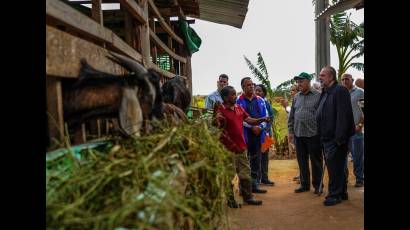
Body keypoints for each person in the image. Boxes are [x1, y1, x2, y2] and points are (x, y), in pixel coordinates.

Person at [215, 85, 266, 206]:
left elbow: (249, 120)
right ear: (225, 97)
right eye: (232, 95)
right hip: (228, 148)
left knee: (245, 173)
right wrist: (215, 118)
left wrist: (262, 119)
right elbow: (216, 126)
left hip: (241, 146)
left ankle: (248, 197)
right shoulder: (220, 110)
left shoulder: (238, 108)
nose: (235, 96)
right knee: (229, 174)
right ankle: (230, 200)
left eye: (234, 94)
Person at [316, 66, 355, 206]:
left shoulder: (340, 90)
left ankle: (334, 195)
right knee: (337, 167)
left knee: (335, 169)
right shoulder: (325, 91)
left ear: (331, 77)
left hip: (336, 139)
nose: (320, 77)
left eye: (323, 75)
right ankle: (342, 192)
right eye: (320, 75)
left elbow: (343, 116)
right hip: (326, 138)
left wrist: (339, 138)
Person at [288, 72, 323, 194]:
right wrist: (291, 132)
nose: (299, 84)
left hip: (314, 134)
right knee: (302, 161)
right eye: (297, 82)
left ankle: (318, 185)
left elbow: (323, 116)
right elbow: (292, 116)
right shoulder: (296, 97)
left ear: (308, 81)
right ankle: (304, 184)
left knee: (316, 161)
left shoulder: (318, 95)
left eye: (301, 81)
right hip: (299, 134)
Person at [237, 77, 269, 193]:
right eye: (248, 85)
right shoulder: (238, 101)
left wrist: (260, 127)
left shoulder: (260, 99)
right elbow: (239, 118)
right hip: (245, 135)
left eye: (252, 84)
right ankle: (244, 187)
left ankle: (254, 185)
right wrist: (252, 127)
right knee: (244, 162)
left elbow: (265, 116)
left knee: (256, 160)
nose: (251, 86)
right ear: (243, 87)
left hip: (257, 135)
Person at [341, 73, 364, 187]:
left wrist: (360, 125)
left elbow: (364, 111)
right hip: (343, 132)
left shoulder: (360, 92)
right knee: (342, 157)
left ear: (352, 80)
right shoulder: (340, 93)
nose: (345, 81)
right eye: (343, 79)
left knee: (357, 156)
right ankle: (344, 179)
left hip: (356, 130)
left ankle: (359, 179)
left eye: (347, 79)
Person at [255, 84, 275, 186]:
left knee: (264, 157)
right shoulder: (253, 102)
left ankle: (265, 178)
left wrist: (264, 129)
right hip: (255, 134)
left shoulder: (266, 103)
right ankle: (257, 179)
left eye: (259, 91)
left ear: (264, 93)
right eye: (256, 91)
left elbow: (271, 118)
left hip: (266, 134)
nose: (257, 93)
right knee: (256, 157)